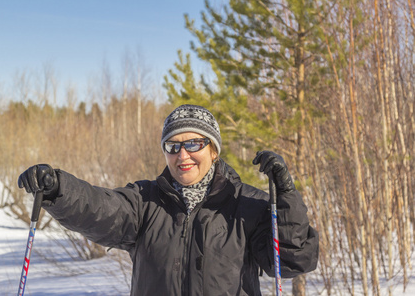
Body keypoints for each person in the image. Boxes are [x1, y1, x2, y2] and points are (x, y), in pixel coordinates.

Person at [18, 104, 319, 296]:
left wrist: (286, 198)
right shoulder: (145, 201)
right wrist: (59, 189)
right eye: (172, 146)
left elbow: (293, 261)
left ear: (213, 150)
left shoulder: (247, 205)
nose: (182, 155)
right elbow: (100, 208)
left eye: (193, 143)